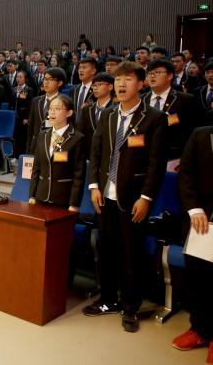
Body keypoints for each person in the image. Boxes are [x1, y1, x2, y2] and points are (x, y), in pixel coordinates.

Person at [84, 61, 168, 333]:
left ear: (141, 84)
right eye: (118, 79)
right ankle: (108, 299)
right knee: (105, 251)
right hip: (104, 195)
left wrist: (146, 198)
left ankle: (130, 307)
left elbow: (156, 163)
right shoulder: (108, 114)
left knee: (131, 255)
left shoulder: (154, 118)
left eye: (128, 79)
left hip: (133, 198)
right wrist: (94, 186)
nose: (121, 84)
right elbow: (96, 152)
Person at [171, 126, 213, 363]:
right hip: (200, 220)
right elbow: (185, 173)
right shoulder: (200, 135)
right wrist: (194, 208)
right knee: (197, 276)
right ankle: (199, 329)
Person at [28, 94, 85, 211]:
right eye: (51, 109)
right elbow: (36, 168)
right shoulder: (42, 135)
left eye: (57, 109)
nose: (52, 112)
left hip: (63, 199)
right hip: (41, 196)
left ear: (69, 113)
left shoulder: (77, 138)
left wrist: (74, 204)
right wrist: (32, 195)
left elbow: (78, 175)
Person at [143, 59, 196, 159]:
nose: (152, 76)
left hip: (173, 155)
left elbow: (190, 131)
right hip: (143, 156)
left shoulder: (186, 100)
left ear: (170, 76)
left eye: (157, 72)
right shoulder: (140, 100)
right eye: (149, 73)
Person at [26, 67, 66, 154]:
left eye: (51, 79)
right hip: (36, 147)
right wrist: (28, 150)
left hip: (54, 147)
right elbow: (31, 128)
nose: (46, 82)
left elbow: (65, 131)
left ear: (60, 83)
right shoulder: (36, 101)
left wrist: (59, 155)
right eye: (45, 79)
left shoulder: (64, 102)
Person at [77, 72, 114, 154]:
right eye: (94, 85)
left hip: (108, 153)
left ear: (110, 87)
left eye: (99, 84)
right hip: (88, 153)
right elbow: (80, 132)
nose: (95, 88)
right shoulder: (87, 109)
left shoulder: (116, 109)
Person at [72, 58, 97, 122]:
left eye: (84, 67)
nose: (80, 70)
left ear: (93, 71)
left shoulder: (97, 89)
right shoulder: (74, 90)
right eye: (79, 68)